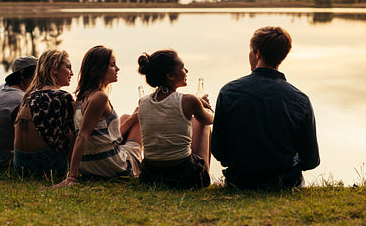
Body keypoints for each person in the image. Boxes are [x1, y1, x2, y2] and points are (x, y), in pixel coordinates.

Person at [211, 26, 320, 189]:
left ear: (257, 53)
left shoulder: (228, 92)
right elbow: (311, 160)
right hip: (286, 183)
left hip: (240, 181)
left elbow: (219, 151)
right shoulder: (300, 100)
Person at [54, 45, 143, 187]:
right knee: (140, 123)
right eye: (113, 65)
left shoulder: (81, 98)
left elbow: (98, 134)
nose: (118, 69)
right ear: (98, 70)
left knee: (127, 117)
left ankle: (132, 121)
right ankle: (142, 166)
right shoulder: (99, 97)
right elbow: (82, 136)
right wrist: (72, 177)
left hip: (89, 165)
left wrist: (132, 118)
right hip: (111, 166)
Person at [137, 50, 213, 189]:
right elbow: (210, 119)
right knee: (202, 124)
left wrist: (197, 103)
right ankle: (204, 174)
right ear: (170, 76)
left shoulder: (143, 102)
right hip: (185, 177)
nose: (186, 71)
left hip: (151, 176)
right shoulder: (189, 100)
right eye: (183, 68)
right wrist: (203, 107)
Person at [13, 49, 75, 179]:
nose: (72, 73)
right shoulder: (62, 97)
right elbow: (74, 135)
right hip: (46, 167)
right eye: (68, 67)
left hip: (20, 167)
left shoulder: (29, 95)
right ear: (54, 69)